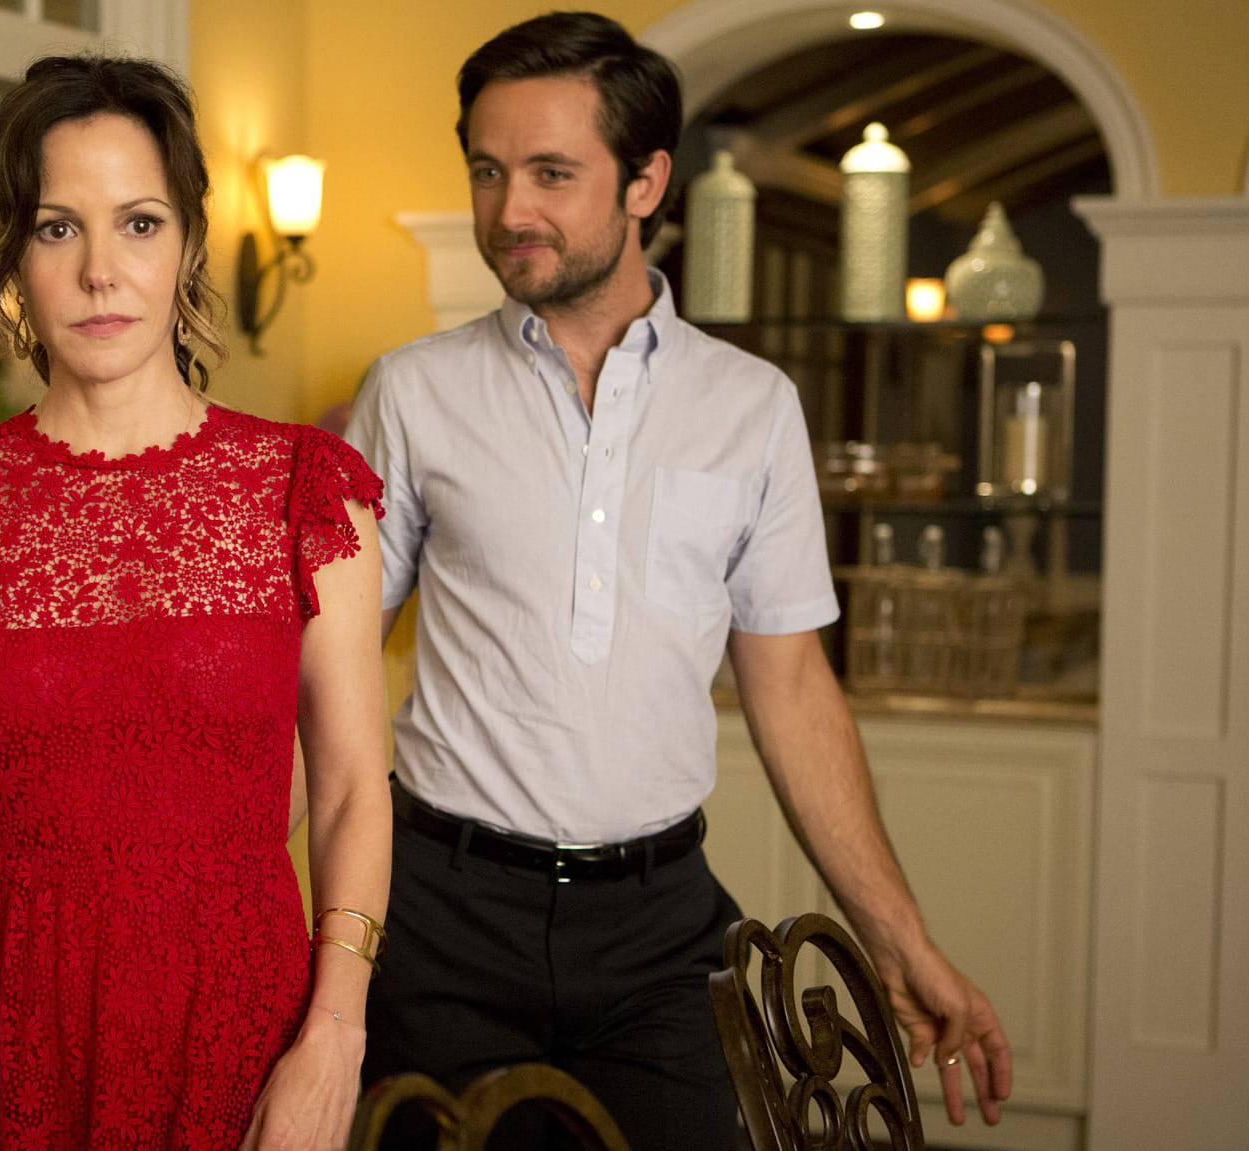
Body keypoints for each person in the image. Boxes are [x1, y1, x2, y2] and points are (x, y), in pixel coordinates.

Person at [344, 13, 1012, 1150]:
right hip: (440, 918)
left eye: (551, 173)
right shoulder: (410, 393)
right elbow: (330, 661)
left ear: (646, 181)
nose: (509, 210)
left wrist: (902, 941)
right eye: (487, 171)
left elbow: (790, 685)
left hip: (658, 935)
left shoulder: (752, 408)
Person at [0, 55, 391, 1151]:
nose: (100, 272)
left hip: (234, 1024)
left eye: (138, 224)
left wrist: (336, 1033)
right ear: (13, 258)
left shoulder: (304, 488)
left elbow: (346, 796)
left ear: (188, 245)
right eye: (57, 228)